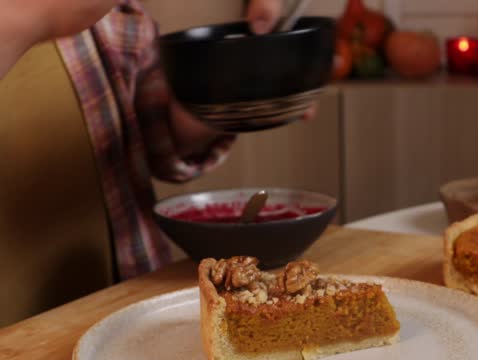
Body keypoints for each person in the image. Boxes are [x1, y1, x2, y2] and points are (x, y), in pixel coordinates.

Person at [0, 0, 288, 281]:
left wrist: (226, 97)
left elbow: (149, 135)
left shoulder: (112, 19)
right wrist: (36, 15)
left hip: (112, 304)